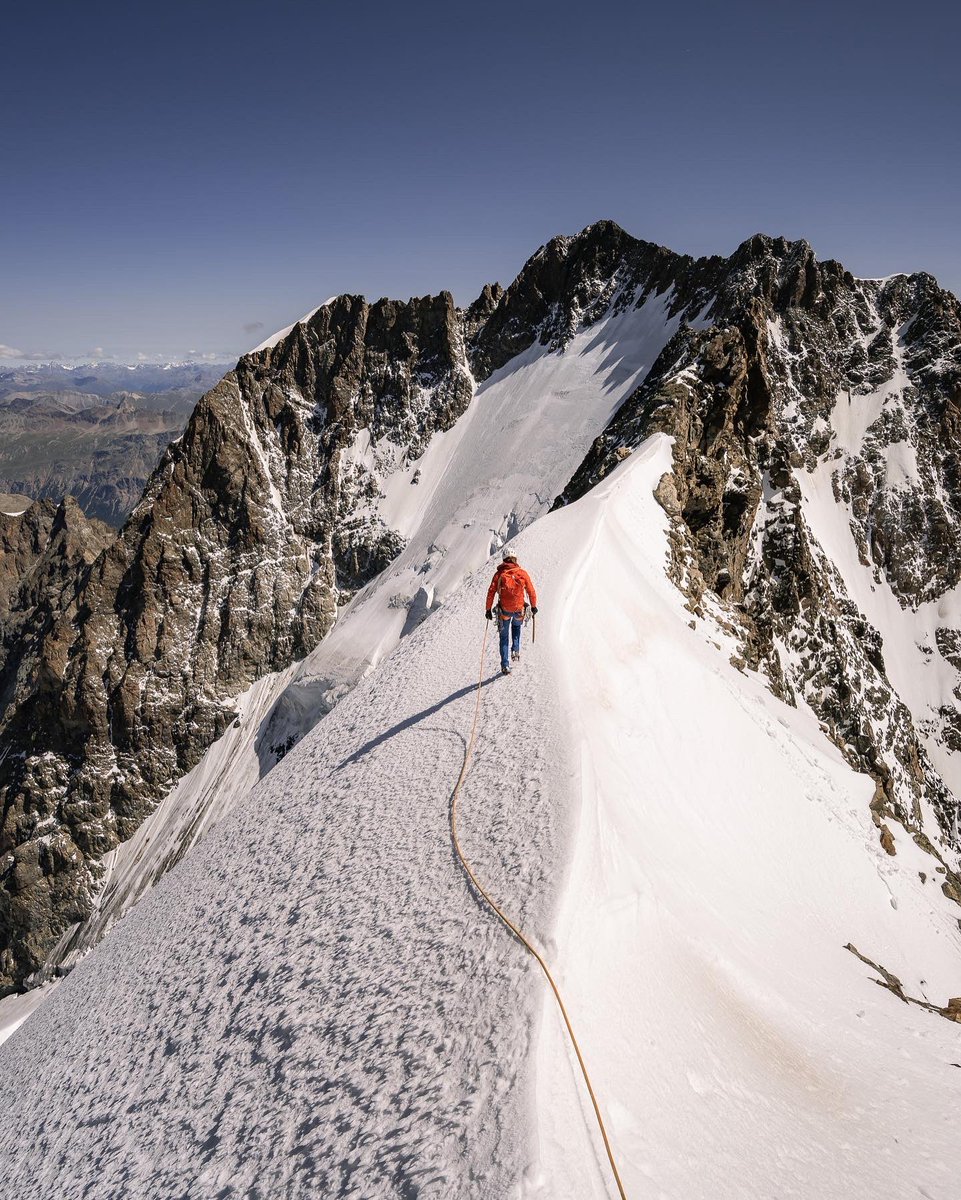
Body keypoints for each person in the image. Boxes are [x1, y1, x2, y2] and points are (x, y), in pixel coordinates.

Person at [485, 553, 538, 675]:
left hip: (504, 611)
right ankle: (516, 650)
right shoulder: (522, 573)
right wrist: (534, 606)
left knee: (504, 637)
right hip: (519, 609)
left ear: (504, 559)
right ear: (515, 559)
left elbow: (491, 592)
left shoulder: (499, 574)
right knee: (516, 627)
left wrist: (488, 609)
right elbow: (531, 591)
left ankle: (505, 665)